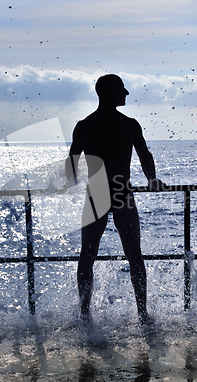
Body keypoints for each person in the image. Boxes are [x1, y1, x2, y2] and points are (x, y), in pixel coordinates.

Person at [65, 74, 163, 324]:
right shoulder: (129, 124)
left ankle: (84, 315)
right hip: (122, 192)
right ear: (109, 93)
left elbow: (72, 163)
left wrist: (71, 185)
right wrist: (152, 179)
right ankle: (142, 314)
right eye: (121, 89)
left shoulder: (84, 125)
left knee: (87, 255)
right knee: (134, 255)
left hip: (96, 193)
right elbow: (144, 155)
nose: (126, 93)